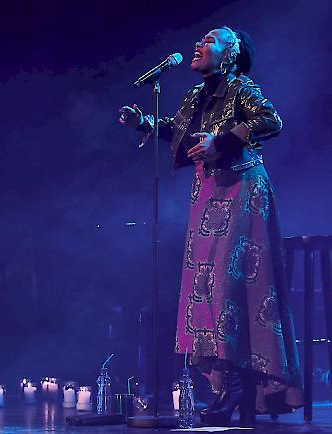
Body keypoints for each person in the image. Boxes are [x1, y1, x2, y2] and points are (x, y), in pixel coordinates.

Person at [119, 27, 303, 426]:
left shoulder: (241, 88)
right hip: (207, 192)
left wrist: (221, 141)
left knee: (228, 284)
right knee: (203, 286)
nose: (199, 45)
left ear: (231, 54)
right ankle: (227, 383)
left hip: (241, 189)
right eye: (199, 40)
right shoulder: (195, 96)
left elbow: (271, 121)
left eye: (211, 40)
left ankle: (240, 383)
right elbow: (180, 131)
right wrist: (146, 123)